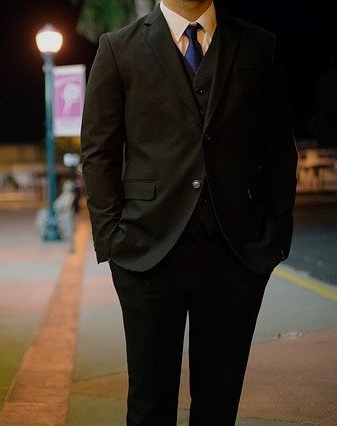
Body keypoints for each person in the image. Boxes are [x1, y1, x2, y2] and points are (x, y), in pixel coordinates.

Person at [80, 0, 298, 424]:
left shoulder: (258, 46)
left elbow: (278, 151)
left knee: (219, 405)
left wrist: (276, 235)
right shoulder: (118, 48)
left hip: (236, 252)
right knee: (149, 405)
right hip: (145, 250)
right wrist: (111, 239)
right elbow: (99, 153)